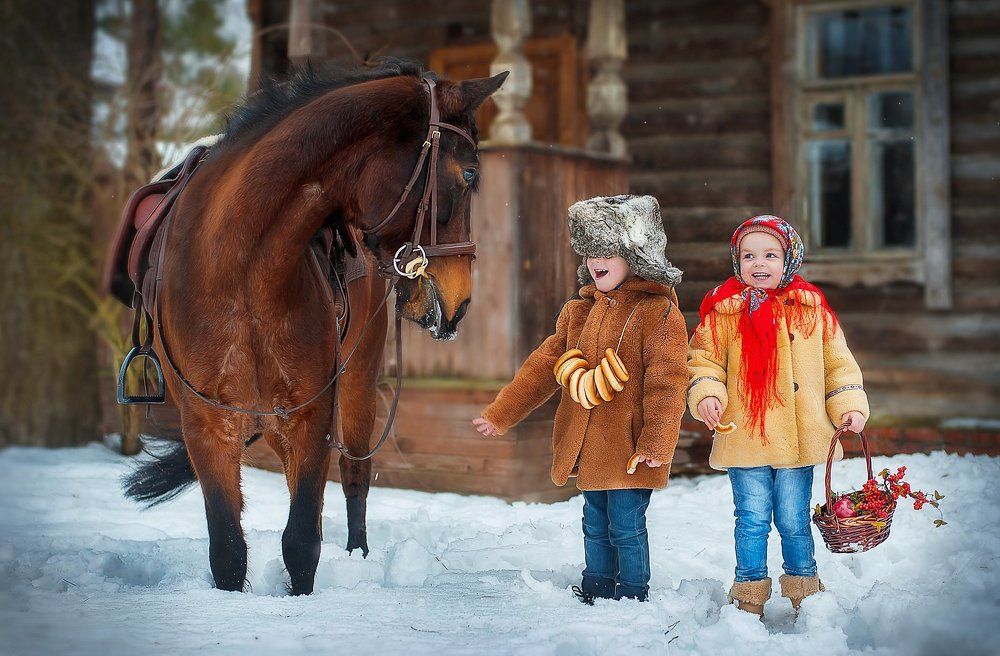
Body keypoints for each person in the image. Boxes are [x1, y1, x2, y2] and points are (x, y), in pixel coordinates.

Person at [472, 195, 688, 603]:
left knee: (626, 524)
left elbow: (668, 382)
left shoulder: (658, 313)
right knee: (594, 522)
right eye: (590, 252)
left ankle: (633, 593)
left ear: (634, 256)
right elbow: (542, 368)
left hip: (631, 448)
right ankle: (597, 588)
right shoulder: (578, 313)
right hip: (590, 447)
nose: (595, 261)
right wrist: (501, 413)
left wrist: (656, 441)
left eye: (607, 252)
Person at [687, 215, 869, 617]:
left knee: (792, 518)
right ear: (737, 261)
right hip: (746, 435)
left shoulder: (811, 310)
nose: (759, 263)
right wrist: (708, 394)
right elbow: (703, 362)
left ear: (789, 259)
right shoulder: (724, 312)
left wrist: (849, 406)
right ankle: (749, 593)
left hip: (797, 439)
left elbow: (838, 365)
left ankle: (804, 588)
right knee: (751, 518)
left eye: (770, 255)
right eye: (748, 256)